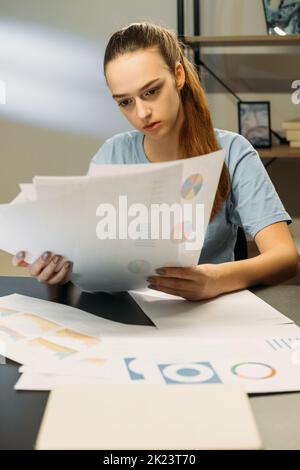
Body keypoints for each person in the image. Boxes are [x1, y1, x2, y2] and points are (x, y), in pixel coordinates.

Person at [13, 22, 298, 301]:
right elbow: (87, 257)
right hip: (127, 315)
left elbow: (285, 258)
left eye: (151, 91)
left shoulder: (233, 151)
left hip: (206, 319)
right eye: (125, 102)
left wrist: (216, 280)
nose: (142, 113)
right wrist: (58, 272)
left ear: (178, 75)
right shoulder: (112, 155)